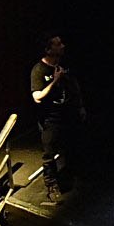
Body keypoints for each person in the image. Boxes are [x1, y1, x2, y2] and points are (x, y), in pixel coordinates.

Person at [29, 35, 81, 200]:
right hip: (49, 120)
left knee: (70, 147)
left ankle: (69, 178)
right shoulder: (39, 70)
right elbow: (37, 96)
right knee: (49, 154)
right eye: (58, 44)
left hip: (66, 115)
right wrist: (54, 81)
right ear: (48, 49)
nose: (63, 46)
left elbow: (73, 86)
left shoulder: (62, 66)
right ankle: (51, 186)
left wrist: (79, 106)